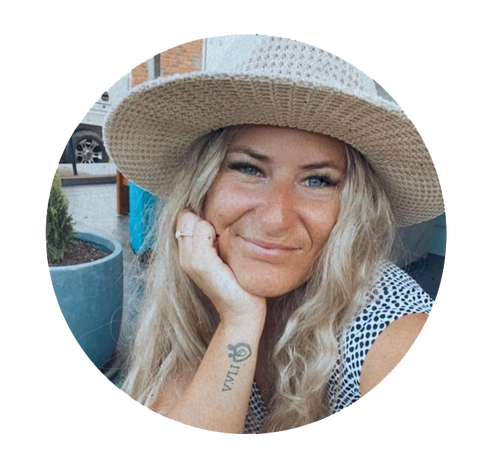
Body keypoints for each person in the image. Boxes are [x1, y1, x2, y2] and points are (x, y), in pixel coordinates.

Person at [104, 33, 445, 436]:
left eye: (318, 180)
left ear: (354, 206)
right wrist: (239, 319)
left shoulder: (388, 327)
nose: (276, 218)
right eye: (249, 169)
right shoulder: (196, 290)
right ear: (202, 185)